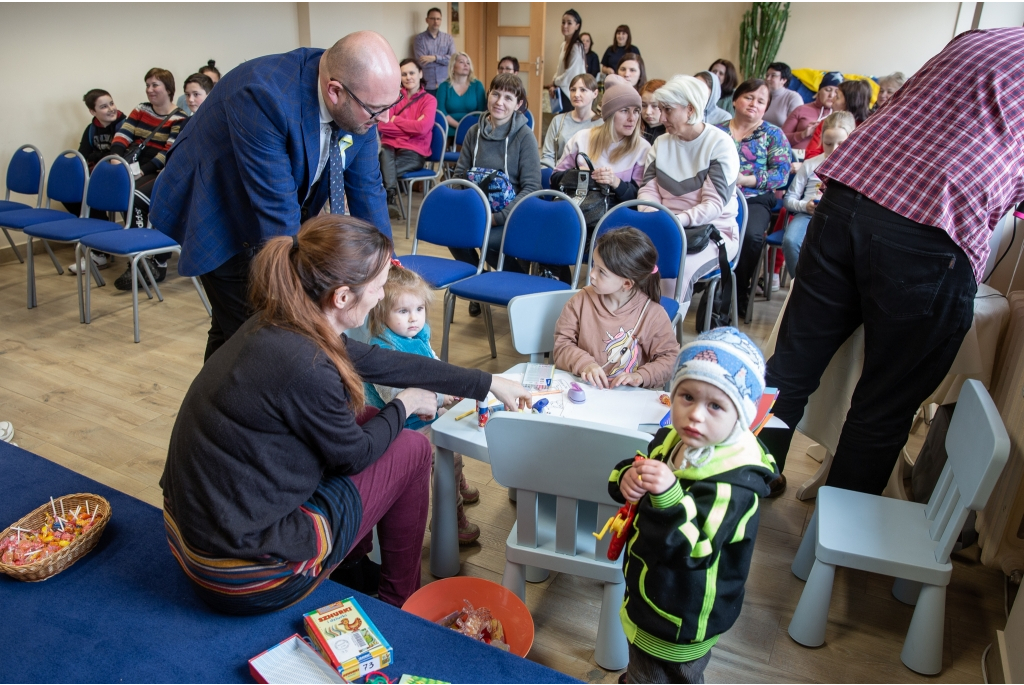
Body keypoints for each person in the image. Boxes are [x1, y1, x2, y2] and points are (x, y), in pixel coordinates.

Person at [160, 214, 531, 615]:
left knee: (374, 417)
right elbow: (353, 455)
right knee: (411, 449)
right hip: (248, 575)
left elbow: (384, 363)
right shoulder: (307, 363)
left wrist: (486, 382)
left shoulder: (285, 321)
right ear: (341, 297)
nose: (379, 296)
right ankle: (399, 601)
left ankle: (351, 566)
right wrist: (404, 404)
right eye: (377, 287)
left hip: (197, 537)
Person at [759, 28, 1024, 499]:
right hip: (934, 220)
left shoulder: (986, 36)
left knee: (790, 369)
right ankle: (834, 541)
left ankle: (741, 488)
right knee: (884, 404)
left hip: (851, 190)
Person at [151, 32, 398, 362]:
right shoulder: (263, 95)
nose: (384, 119)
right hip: (218, 214)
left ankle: (210, 410)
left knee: (235, 333)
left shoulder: (361, 99)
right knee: (266, 341)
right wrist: (310, 296)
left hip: (271, 210)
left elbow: (368, 189)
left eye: (389, 107)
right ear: (334, 91)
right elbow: (278, 217)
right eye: (376, 110)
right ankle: (230, 408)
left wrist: (386, 268)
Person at [610, 327, 777, 685]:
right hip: (648, 592)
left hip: (681, 615)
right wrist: (625, 477)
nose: (695, 415)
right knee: (644, 671)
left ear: (741, 415)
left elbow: (696, 548)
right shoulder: (672, 439)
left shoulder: (736, 484)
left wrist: (668, 493)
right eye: (687, 396)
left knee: (660, 677)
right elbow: (641, 464)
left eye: (715, 405)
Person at [364, 265, 480, 545]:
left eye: (419, 309)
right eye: (403, 312)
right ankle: (449, 517)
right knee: (448, 455)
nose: (414, 318)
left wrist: (449, 386)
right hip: (402, 429)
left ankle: (454, 482)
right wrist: (441, 398)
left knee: (455, 433)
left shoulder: (417, 335)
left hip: (425, 416)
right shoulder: (383, 350)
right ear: (381, 312)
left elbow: (432, 364)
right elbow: (398, 398)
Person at [638, 75, 740, 320]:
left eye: (667, 110)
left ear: (690, 109)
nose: (661, 118)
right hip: (665, 228)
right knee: (619, 263)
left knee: (675, 273)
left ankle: (662, 342)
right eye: (660, 110)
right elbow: (647, 192)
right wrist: (653, 219)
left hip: (710, 234)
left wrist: (671, 222)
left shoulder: (720, 144)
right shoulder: (661, 144)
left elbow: (713, 206)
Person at [451, 73, 541, 311]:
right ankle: (476, 287)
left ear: (518, 104)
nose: (500, 102)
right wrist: (470, 211)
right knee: (456, 238)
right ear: (488, 95)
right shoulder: (473, 132)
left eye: (508, 97)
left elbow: (532, 187)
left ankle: (520, 290)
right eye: (496, 94)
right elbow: (460, 176)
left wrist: (498, 217)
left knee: (487, 242)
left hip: (511, 215)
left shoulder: (524, 137)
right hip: (478, 212)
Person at [553, 227, 679, 389]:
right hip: (584, 392)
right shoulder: (579, 301)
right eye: (593, 265)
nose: (591, 274)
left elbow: (670, 358)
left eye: (601, 272)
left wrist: (641, 376)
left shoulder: (653, 314)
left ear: (626, 283)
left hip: (629, 401)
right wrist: (585, 364)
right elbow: (562, 345)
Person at [108, 68, 188, 287]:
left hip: (157, 169)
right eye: (148, 85)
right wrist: (116, 157)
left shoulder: (180, 117)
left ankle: (147, 260)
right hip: (132, 165)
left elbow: (168, 152)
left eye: (155, 85)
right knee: (122, 195)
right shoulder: (140, 109)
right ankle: (139, 260)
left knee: (135, 198)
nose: (150, 90)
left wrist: (143, 169)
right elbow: (124, 134)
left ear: (168, 89)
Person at [719, 78, 791, 317]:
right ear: (736, 99)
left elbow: (781, 174)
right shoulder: (717, 131)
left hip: (755, 197)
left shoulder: (772, 134)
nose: (754, 104)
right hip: (717, 195)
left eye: (761, 101)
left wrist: (747, 180)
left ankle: (739, 291)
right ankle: (709, 286)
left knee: (750, 237)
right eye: (749, 97)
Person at [551, 75, 650, 211]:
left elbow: (640, 200)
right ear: (609, 114)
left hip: (617, 218)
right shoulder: (581, 138)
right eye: (624, 111)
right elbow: (554, 180)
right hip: (578, 212)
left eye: (636, 111)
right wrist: (578, 174)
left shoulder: (642, 148)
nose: (632, 118)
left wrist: (616, 182)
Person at [781, 111, 854, 279]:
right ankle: (797, 285)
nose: (834, 149)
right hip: (808, 214)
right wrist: (804, 206)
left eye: (841, 143)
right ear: (821, 140)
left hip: (839, 219)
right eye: (828, 143)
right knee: (791, 241)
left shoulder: (855, 169)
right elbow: (789, 199)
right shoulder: (810, 165)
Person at [378, 59, 437, 218]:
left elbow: (423, 128)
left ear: (420, 74)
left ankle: (386, 202)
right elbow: (382, 126)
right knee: (383, 152)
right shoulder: (394, 97)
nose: (408, 77)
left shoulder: (429, 100)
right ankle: (389, 200)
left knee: (376, 173)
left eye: (412, 73)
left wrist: (396, 120)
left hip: (414, 153)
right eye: (404, 74)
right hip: (390, 149)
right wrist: (412, 128)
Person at [64, 89, 126, 236]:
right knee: (70, 191)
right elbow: (83, 155)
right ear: (93, 111)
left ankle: (102, 236)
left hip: (119, 177)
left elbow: (119, 155)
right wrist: (100, 156)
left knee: (94, 191)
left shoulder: (125, 125)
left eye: (111, 103)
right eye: (104, 106)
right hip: (97, 176)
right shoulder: (91, 129)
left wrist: (97, 155)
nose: (111, 109)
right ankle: (98, 228)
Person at [540, 73, 600, 168]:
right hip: (559, 176)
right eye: (573, 90)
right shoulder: (558, 120)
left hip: (590, 177)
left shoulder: (602, 124)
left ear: (595, 93)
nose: (576, 94)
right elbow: (547, 157)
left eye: (583, 90)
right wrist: (552, 176)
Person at [802, 78, 871, 158]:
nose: (833, 98)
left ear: (850, 103)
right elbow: (811, 154)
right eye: (828, 144)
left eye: (837, 97)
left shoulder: (867, 129)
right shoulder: (827, 123)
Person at [781, 70, 841, 151]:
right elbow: (780, 138)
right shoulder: (801, 109)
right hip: (794, 157)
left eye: (836, 92)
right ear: (819, 91)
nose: (831, 95)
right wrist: (803, 134)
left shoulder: (841, 116)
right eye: (828, 90)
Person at [436, 52, 486, 138]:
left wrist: (468, 126)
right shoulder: (443, 86)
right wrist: (459, 125)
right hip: (449, 126)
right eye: (461, 62)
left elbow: (481, 111)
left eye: (468, 63)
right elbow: (441, 111)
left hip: (472, 126)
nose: (466, 65)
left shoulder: (477, 85)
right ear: (453, 66)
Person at [548, 9, 586, 113]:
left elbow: (570, 75)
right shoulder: (563, 44)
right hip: (561, 90)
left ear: (577, 26)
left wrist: (555, 82)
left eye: (569, 23)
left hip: (572, 93)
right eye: (563, 22)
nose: (565, 26)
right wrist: (553, 84)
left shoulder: (577, 47)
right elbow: (559, 69)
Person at [414, 7, 455, 97]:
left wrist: (434, 58)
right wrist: (443, 60)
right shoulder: (419, 39)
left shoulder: (448, 38)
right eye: (432, 18)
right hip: (427, 85)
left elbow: (452, 59)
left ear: (441, 20)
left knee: (444, 110)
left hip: (445, 84)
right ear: (427, 20)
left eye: (438, 19)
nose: (436, 21)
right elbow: (421, 62)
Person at [763, 62, 803, 128]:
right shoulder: (761, 94)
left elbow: (794, 127)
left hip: (779, 136)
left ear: (784, 80)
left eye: (773, 75)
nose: (768, 79)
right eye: (767, 75)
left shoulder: (793, 98)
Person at [639, 79, 666, 144]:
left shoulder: (672, 134)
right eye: (643, 105)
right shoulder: (633, 129)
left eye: (654, 106)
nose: (648, 112)